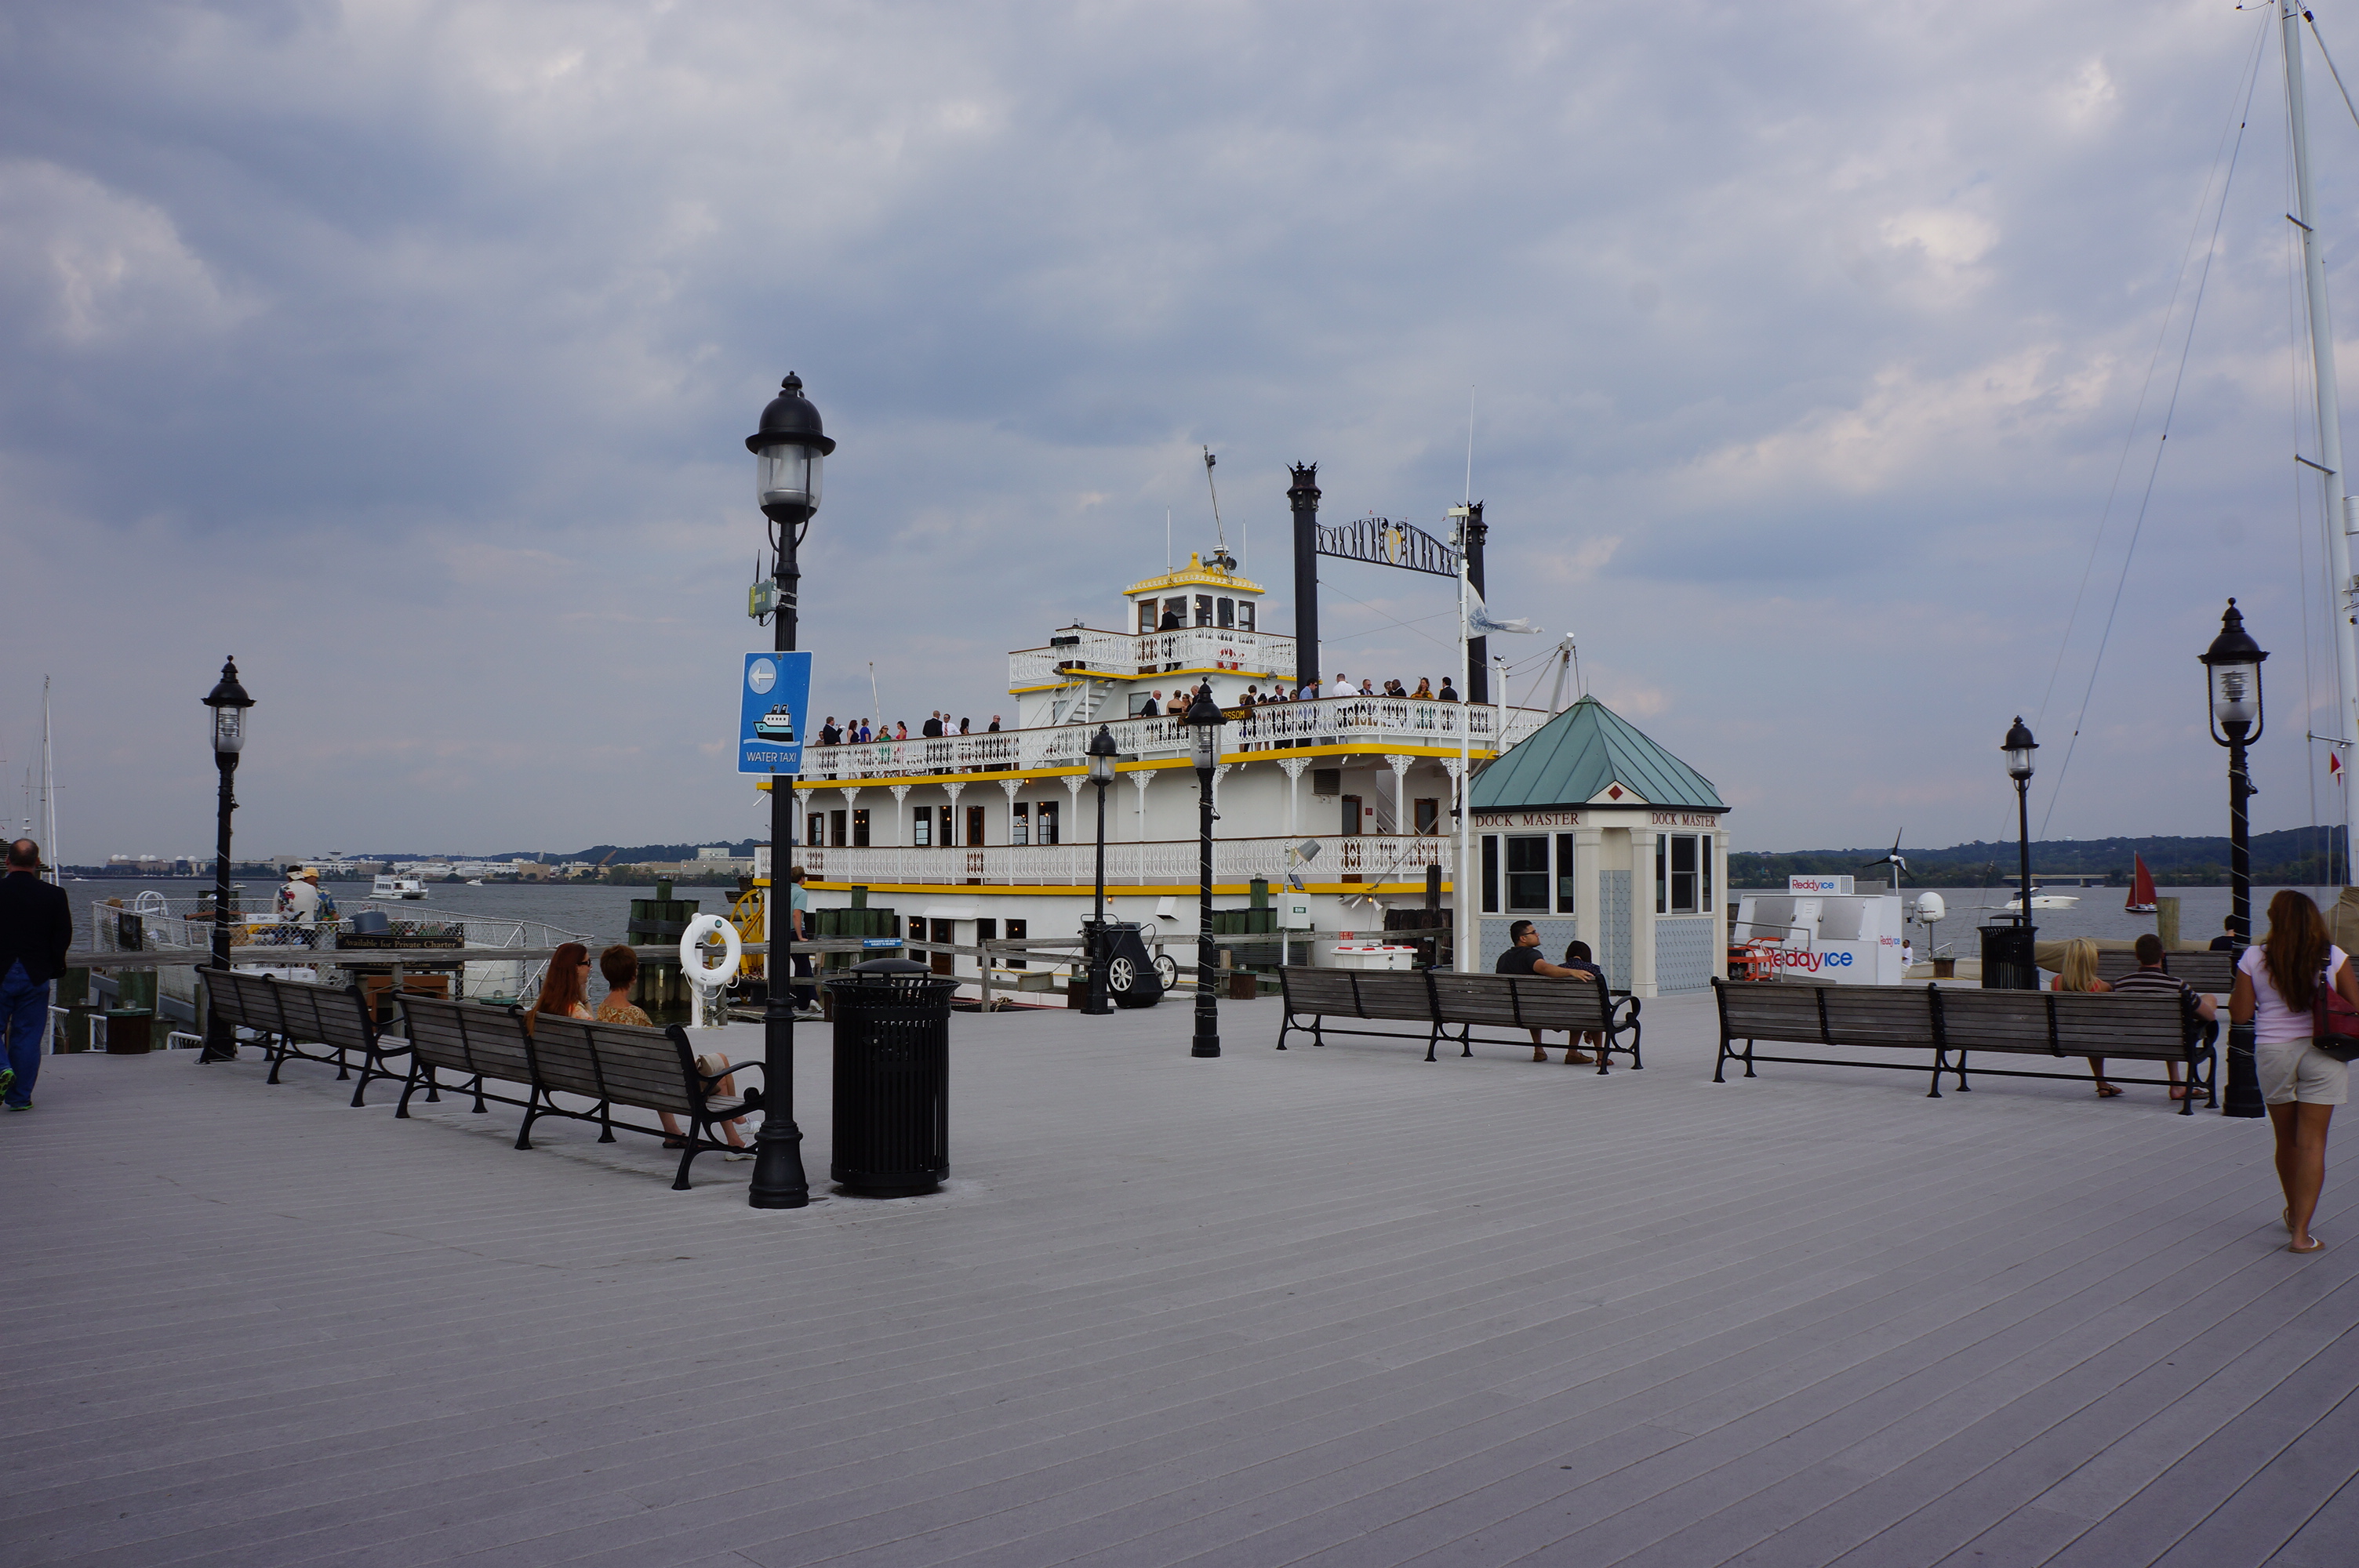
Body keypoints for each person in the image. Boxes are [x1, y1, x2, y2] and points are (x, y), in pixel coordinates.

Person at [2231, 889, 2359, 1254]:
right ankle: (2302, 1233)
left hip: (2275, 1053)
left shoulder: (2254, 957)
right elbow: (2355, 1005)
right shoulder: (2331, 956)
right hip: (2325, 1051)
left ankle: (2292, 1212)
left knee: (2285, 1140)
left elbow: (2240, 1014)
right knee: (2313, 1143)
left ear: (2275, 919)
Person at [599, 944, 750, 1159]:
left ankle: (673, 1133)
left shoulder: (602, 1009)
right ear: (633, 975)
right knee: (721, 1072)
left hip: (620, 1082)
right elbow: (660, 1061)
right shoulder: (636, 1015)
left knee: (713, 1063)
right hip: (663, 1086)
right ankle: (735, 1136)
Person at [0, 840, 73, 1110]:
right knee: (28, 1037)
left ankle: (2, 1069)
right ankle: (19, 1098)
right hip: (36, 973)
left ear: (7, 861)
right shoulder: (55, 894)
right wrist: (52, 966)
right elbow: (62, 935)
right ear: (36, 863)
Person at [2110, 933, 2219, 1101]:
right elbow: (2209, 1016)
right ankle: (2176, 1087)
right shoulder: (2177, 986)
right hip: (2171, 1040)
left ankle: (2177, 1086)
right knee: (2206, 1001)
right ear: (2162, 954)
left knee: (2170, 1027)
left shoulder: (2121, 984)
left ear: (2137, 956)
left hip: (2131, 1042)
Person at [1495, 920, 1595, 1065]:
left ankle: (1539, 1050)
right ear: (1523, 938)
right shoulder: (1531, 954)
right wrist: (1571, 971)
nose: (1538, 934)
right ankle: (1572, 1052)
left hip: (1514, 1011)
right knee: (1577, 1006)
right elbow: (1544, 968)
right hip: (1540, 1011)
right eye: (1533, 932)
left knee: (1529, 1004)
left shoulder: (1503, 958)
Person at [2052, 937, 2117, 1095]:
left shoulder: (2056, 982)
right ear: (2091, 960)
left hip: (2061, 1038)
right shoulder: (2102, 987)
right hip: (2091, 1040)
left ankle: (2102, 1084)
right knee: (2095, 1033)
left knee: (2091, 1032)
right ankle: (2101, 1083)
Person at [529, 941, 594, 1032]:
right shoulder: (577, 1012)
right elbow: (594, 1032)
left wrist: (584, 999)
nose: (590, 966)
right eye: (588, 962)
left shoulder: (548, 1004)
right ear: (576, 968)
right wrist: (586, 1001)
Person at [1561, 939, 1607, 1063]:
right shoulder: (1593, 969)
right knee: (1595, 1012)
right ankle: (1601, 1057)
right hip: (1588, 1013)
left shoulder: (1559, 969)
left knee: (1577, 1010)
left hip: (1561, 1014)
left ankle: (1572, 1052)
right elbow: (1600, 998)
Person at [787, 866, 820, 1018]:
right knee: (804, 965)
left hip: (783, 933)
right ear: (801, 878)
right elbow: (796, 914)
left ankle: (802, 1003)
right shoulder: (801, 892)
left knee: (801, 966)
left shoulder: (784, 891)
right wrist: (800, 936)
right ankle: (812, 998)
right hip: (796, 932)